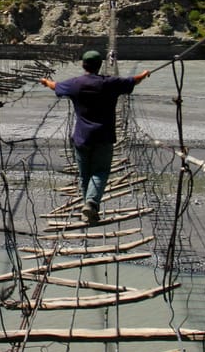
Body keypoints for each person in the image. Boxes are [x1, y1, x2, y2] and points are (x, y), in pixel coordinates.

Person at [40, 50, 150, 224]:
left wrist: (46, 82)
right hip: (104, 137)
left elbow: (57, 86)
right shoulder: (110, 83)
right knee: (100, 172)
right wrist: (144, 74)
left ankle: (87, 210)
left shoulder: (75, 84)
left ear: (83, 65)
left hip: (81, 137)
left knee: (85, 175)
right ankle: (91, 203)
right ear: (100, 65)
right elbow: (133, 81)